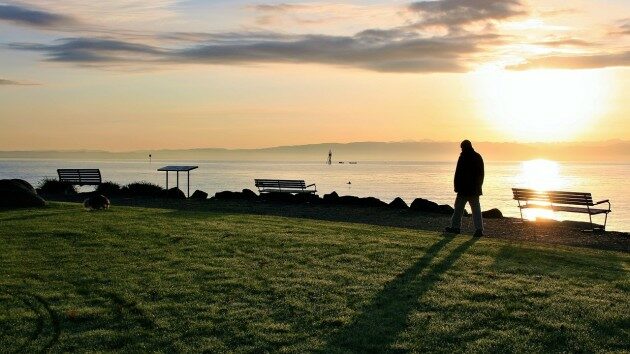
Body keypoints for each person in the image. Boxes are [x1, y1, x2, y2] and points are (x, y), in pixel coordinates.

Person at [445, 140, 484, 237]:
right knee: (476, 210)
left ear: (464, 147)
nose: (461, 149)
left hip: (463, 189)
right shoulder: (477, 157)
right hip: (474, 189)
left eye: (462, 147)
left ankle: (455, 227)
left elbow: (458, 173)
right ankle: (479, 229)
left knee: (458, 209)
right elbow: (481, 174)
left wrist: (456, 186)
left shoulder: (462, 157)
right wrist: (479, 186)